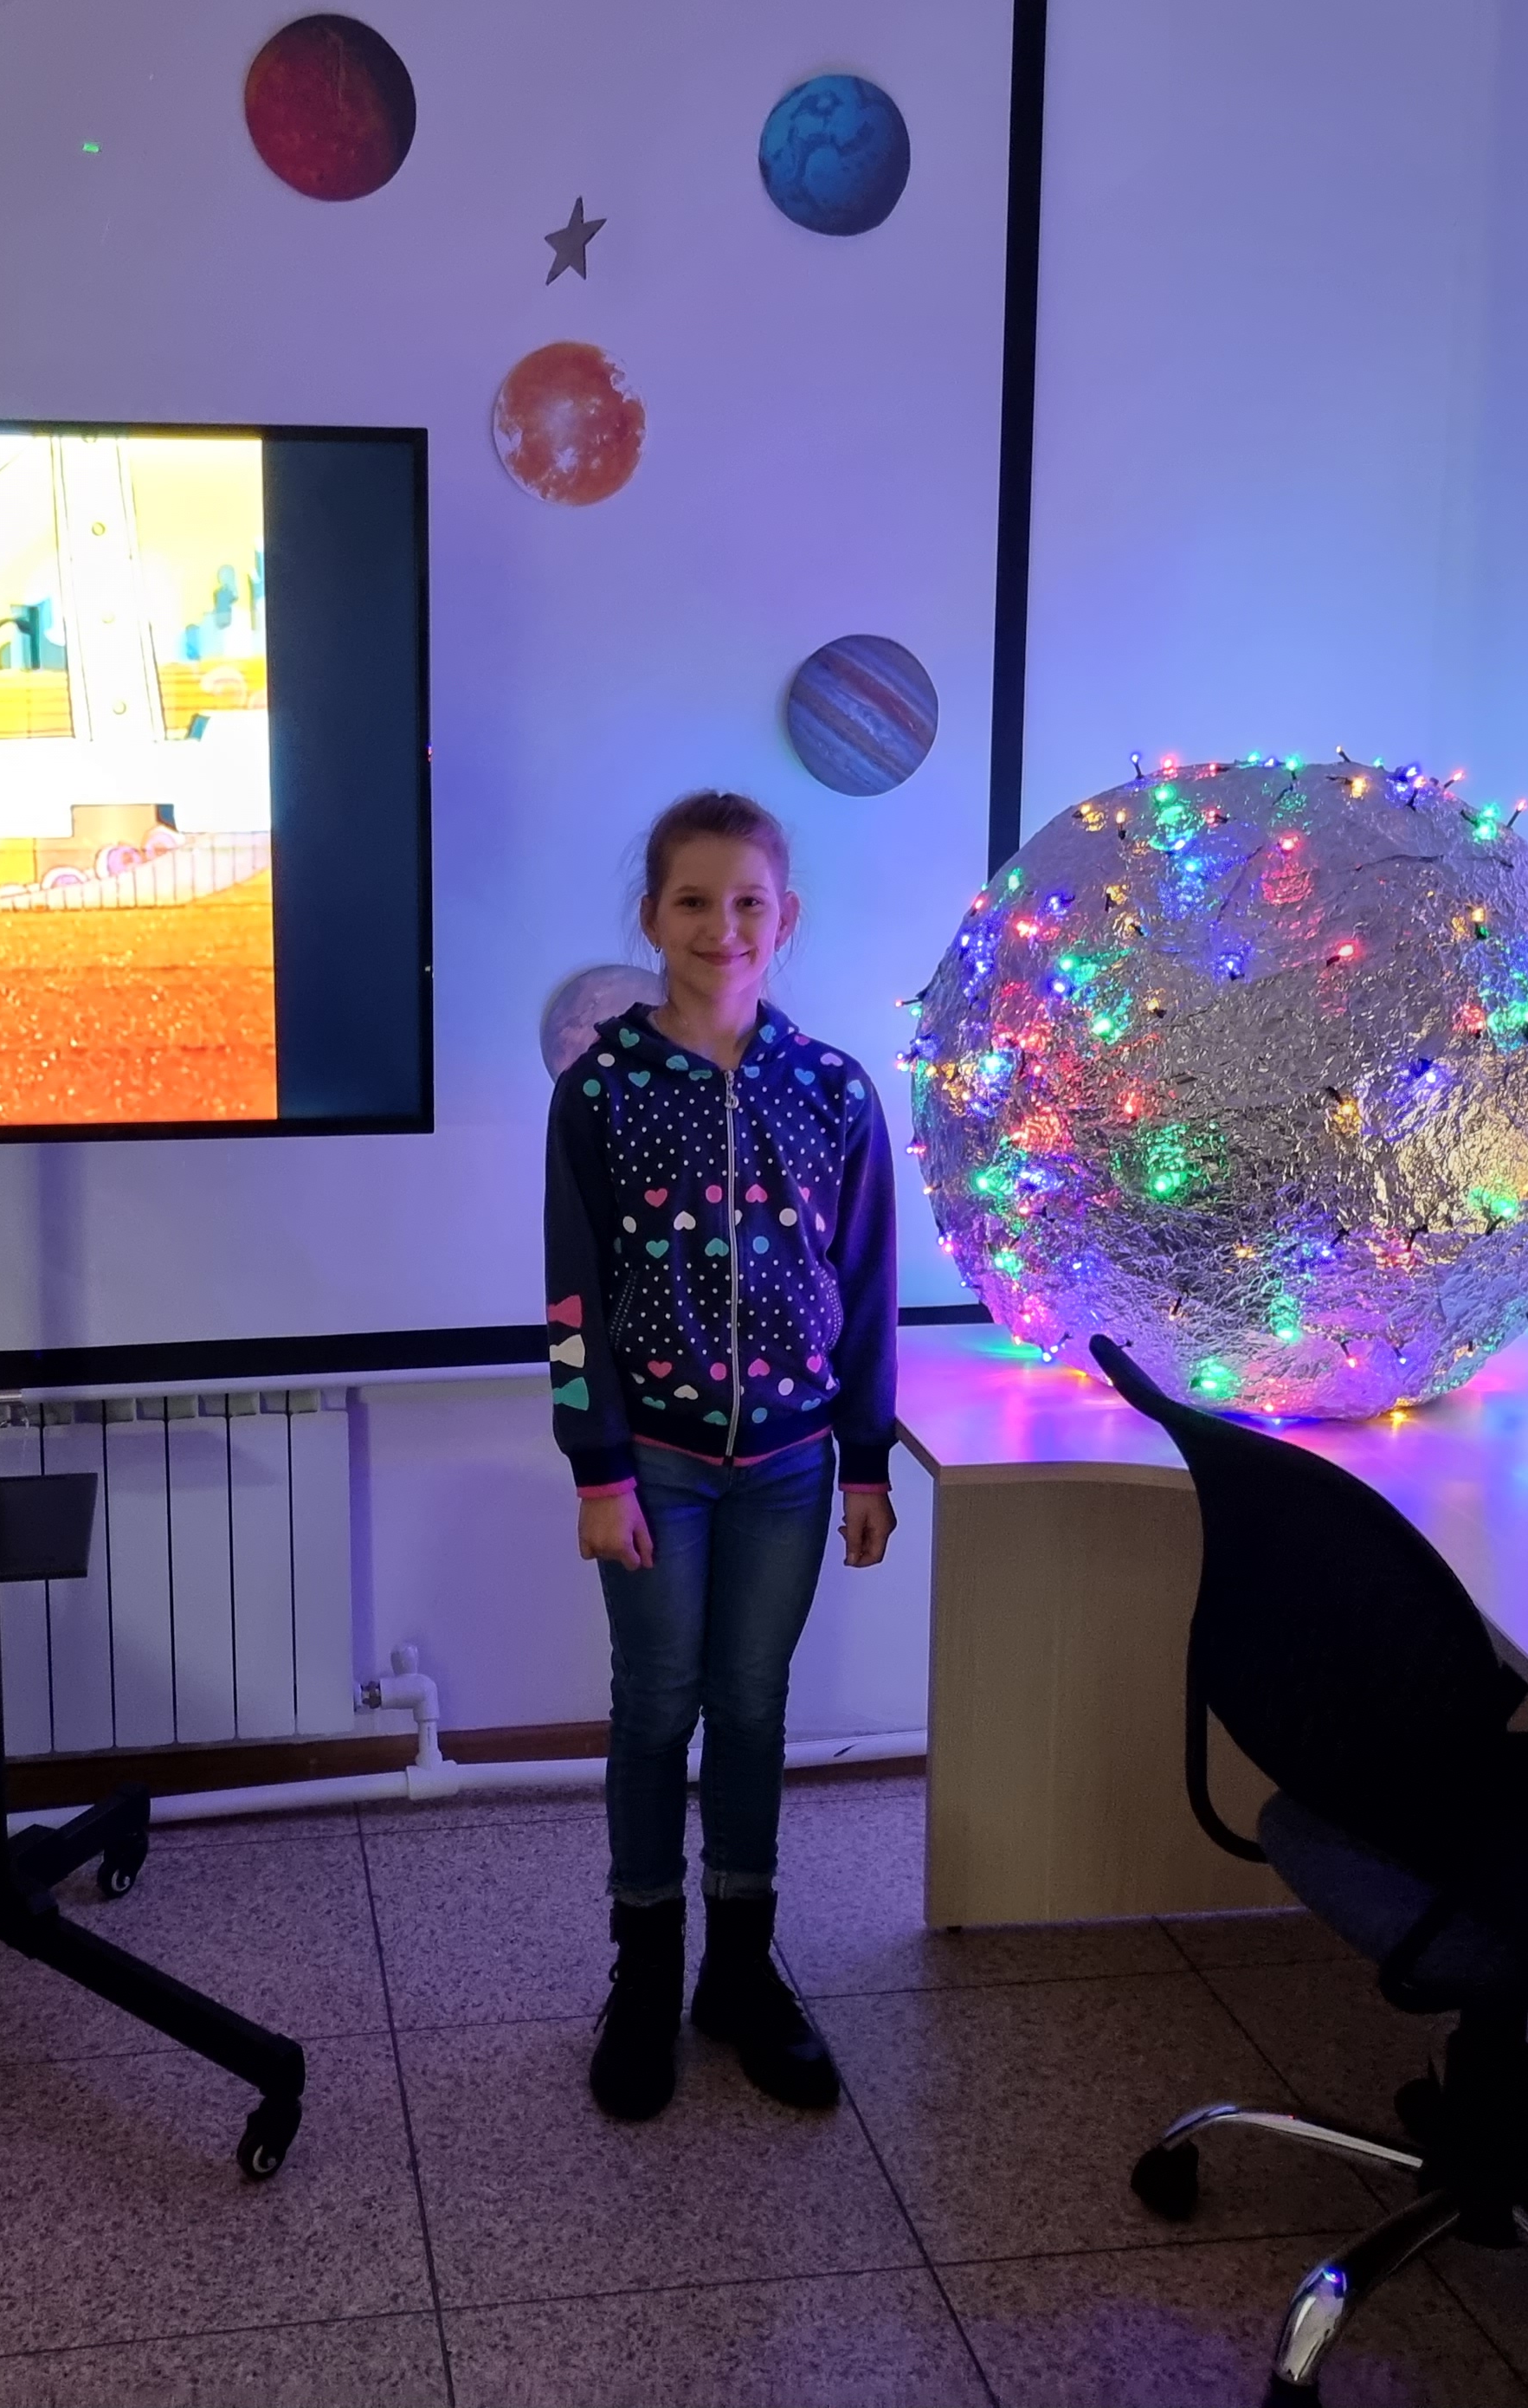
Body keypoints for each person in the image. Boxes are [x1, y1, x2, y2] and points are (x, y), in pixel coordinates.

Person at [544, 790, 898, 2121]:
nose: (722, 926)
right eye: (693, 901)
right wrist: (597, 1469)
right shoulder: (602, 1090)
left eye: (748, 902)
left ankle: (739, 1977)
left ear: (784, 918)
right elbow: (570, 1300)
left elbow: (866, 1288)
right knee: (655, 1708)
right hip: (656, 1465)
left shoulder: (832, 1088)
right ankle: (644, 1978)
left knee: (751, 1709)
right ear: (652, 916)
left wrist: (866, 1461)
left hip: (793, 1469)